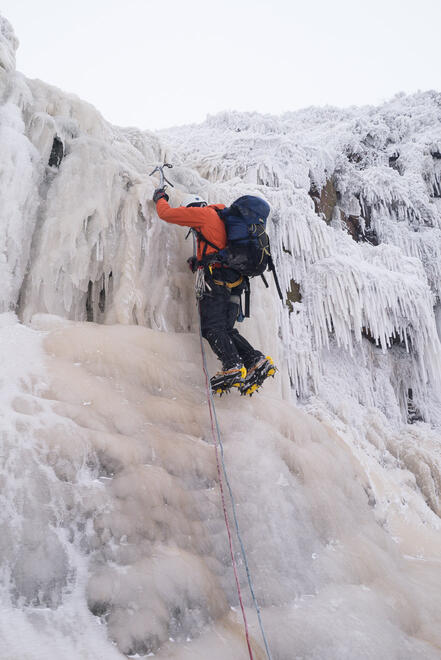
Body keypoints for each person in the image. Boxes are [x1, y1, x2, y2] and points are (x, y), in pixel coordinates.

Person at [153, 186, 275, 394]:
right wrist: (200, 260)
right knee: (227, 329)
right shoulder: (224, 217)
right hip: (237, 283)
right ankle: (256, 361)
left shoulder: (202, 214)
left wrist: (160, 198)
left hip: (217, 282)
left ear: (192, 207)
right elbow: (218, 248)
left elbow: (166, 214)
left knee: (211, 328)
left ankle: (232, 365)